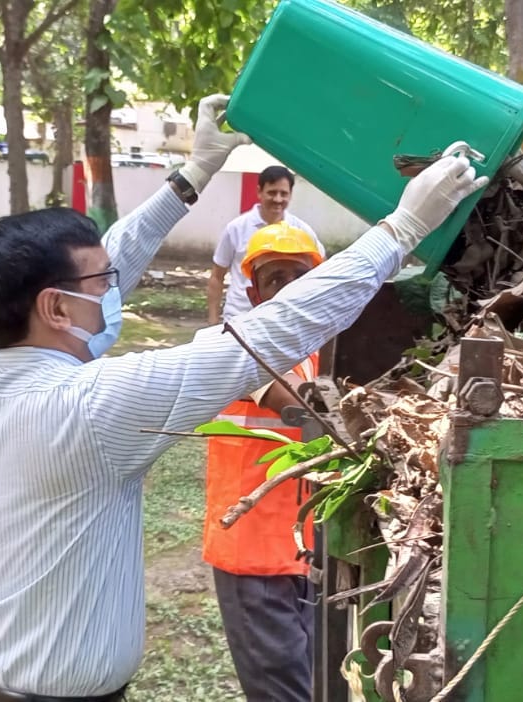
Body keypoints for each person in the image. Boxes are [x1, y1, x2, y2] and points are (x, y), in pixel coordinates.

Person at [0, 92, 487, 700]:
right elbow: (267, 334)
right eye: (101, 284)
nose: (114, 289)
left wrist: (192, 175)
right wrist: (401, 229)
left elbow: (112, 259)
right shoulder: (89, 409)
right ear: (56, 307)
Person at [202, 223, 325, 702]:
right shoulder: (234, 347)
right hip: (251, 558)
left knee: (313, 685)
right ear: (254, 291)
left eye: (300, 277)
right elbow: (300, 403)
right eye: (276, 279)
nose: (288, 290)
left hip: (303, 552)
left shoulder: (315, 350)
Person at [207, 165, 325, 325]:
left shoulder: (301, 230)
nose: (278, 199)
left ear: (290, 195)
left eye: (284, 194)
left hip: (285, 318)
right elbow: (217, 277)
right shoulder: (236, 228)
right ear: (259, 192)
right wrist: (213, 320)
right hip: (240, 318)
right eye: (272, 192)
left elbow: (320, 271)